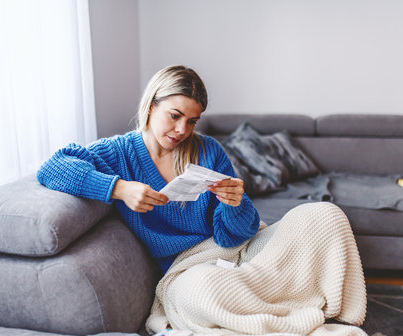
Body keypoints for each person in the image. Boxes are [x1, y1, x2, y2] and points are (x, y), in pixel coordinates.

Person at [37, 64, 261, 274]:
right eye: (175, 116)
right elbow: (53, 167)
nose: (183, 130)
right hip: (187, 268)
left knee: (297, 222)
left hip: (227, 252)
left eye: (192, 121)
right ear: (152, 105)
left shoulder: (208, 151)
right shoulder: (118, 153)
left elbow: (233, 236)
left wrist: (234, 203)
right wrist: (119, 188)